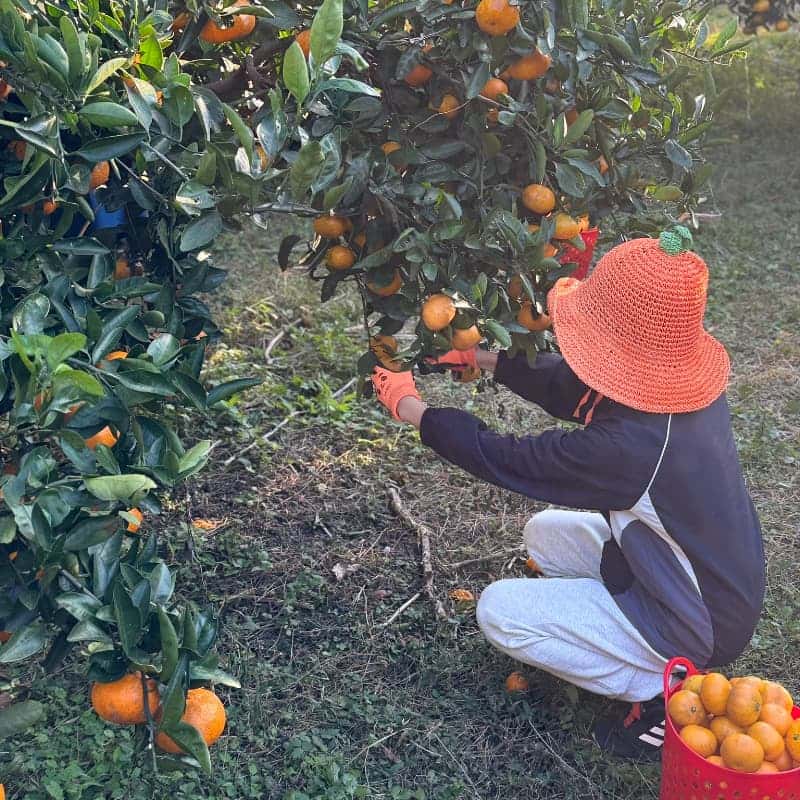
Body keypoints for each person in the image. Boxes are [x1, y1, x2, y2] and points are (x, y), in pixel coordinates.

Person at [370, 230, 765, 760]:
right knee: (544, 534)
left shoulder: (628, 447)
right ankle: (624, 620)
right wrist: (487, 359)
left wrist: (412, 410)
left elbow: (509, 458)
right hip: (704, 573)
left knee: (500, 612)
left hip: (699, 619)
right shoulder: (683, 390)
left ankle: (660, 690)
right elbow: (578, 387)